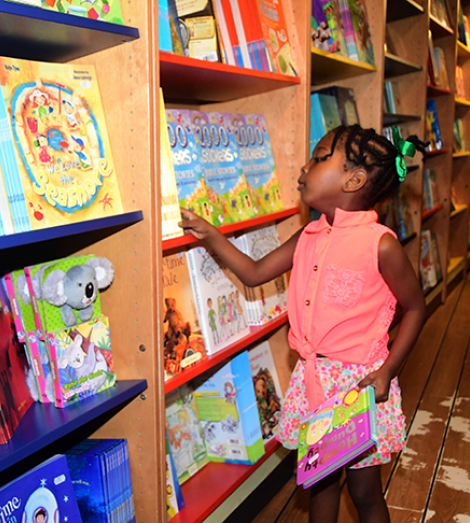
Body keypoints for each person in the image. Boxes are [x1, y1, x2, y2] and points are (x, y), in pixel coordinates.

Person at [180, 125, 427, 523]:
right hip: (313, 381)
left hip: (360, 388)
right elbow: (255, 272)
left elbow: (416, 308)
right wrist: (210, 234)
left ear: (354, 179)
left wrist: (387, 372)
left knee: (365, 493)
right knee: (319, 483)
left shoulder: (380, 244)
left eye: (319, 157)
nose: (305, 167)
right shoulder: (308, 235)